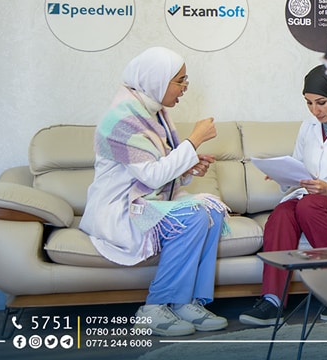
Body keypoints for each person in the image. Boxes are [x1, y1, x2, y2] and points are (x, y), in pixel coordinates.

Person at [80, 47, 228, 337]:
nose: (185, 87)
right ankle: (154, 307)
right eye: (180, 81)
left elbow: (158, 168)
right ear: (156, 80)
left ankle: (185, 302)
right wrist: (194, 140)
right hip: (122, 211)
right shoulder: (120, 121)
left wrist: (187, 167)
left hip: (146, 203)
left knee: (212, 212)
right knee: (192, 216)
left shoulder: (154, 112)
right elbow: (152, 174)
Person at [239, 65, 327, 327]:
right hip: (309, 198)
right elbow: (299, 166)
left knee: (310, 206)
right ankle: (272, 300)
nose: (315, 111)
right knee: (281, 213)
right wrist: (283, 175)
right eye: (308, 103)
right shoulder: (309, 126)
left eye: (321, 102)